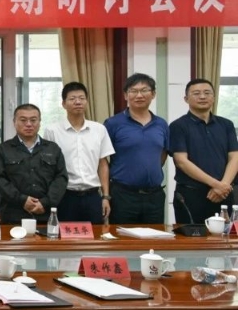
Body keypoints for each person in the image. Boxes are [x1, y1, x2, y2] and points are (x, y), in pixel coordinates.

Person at [43, 82, 114, 224]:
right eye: (72, 98)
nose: (78, 102)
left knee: (95, 234)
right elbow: (47, 168)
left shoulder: (99, 129)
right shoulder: (52, 130)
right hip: (64, 196)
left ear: (87, 102)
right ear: (63, 104)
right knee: (65, 235)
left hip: (92, 195)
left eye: (82, 98)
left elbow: (103, 164)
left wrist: (105, 197)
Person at [168, 78, 238, 224]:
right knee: (191, 236)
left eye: (207, 93)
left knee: (226, 236)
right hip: (191, 194)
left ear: (214, 97)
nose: (202, 97)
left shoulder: (226, 124)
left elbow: (235, 157)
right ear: (186, 99)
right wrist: (216, 185)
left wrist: (223, 185)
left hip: (224, 193)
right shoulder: (178, 126)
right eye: (196, 93)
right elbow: (181, 161)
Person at [104, 73, 170, 224]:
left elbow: (163, 154)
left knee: (155, 236)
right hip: (123, 195)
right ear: (126, 95)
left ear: (153, 94)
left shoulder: (161, 124)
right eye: (133, 91)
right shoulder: (113, 124)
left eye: (144, 90)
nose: (139, 95)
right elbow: (102, 158)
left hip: (154, 195)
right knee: (122, 237)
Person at [0, 104, 68, 224]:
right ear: (14, 122)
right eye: (23, 120)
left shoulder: (53, 148)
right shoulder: (3, 149)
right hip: (14, 213)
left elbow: (61, 178)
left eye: (33, 120)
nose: (28, 124)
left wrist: (45, 202)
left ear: (39, 122)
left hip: (46, 213)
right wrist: (22, 200)